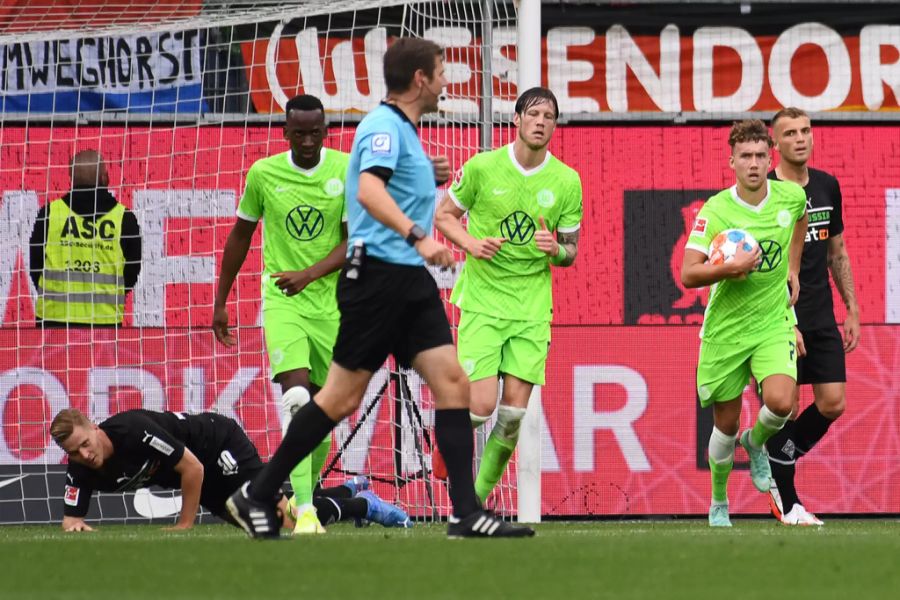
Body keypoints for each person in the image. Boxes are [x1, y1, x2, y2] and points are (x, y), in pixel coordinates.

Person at [225, 37, 534, 539]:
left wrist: (421, 179)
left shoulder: (403, 132)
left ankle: (465, 512)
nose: (443, 81)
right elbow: (368, 190)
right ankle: (258, 493)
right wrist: (420, 236)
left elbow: (386, 182)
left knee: (453, 385)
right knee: (340, 399)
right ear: (419, 79)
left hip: (406, 279)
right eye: (439, 71)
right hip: (379, 279)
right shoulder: (384, 126)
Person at [432, 87, 582, 502]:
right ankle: (445, 432)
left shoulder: (567, 182)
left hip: (532, 308)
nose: (540, 121)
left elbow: (571, 251)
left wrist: (556, 250)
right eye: (533, 113)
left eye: (548, 116)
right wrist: (471, 244)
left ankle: (474, 500)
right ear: (516, 119)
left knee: (513, 415)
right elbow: (444, 216)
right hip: (483, 301)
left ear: (554, 125)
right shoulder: (483, 167)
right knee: (479, 408)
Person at [213, 94, 349, 535]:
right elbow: (239, 237)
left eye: (316, 132)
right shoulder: (264, 174)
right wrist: (221, 301)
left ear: (325, 131)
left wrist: (310, 274)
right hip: (282, 301)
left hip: (330, 304)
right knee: (297, 399)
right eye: (299, 132)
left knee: (325, 411)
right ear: (285, 132)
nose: (308, 140)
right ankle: (306, 510)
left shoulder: (345, 170)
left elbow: (354, 244)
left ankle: (296, 500)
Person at [681, 119, 808, 527]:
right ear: (731, 161)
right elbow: (688, 273)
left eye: (760, 156)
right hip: (727, 330)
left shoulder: (790, 197)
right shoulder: (715, 210)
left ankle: (755, 445)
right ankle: (719, 501)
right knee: (725, 423)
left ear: (770, 158)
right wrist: (729, 268)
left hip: (772, 322)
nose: (753, 164)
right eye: (745, 157)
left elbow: (801, 220)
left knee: (782, 403)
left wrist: (793, 268)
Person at [49, 408, 411, 533]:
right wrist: (74, 524)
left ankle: (364, 505)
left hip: (217, 445)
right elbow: (70, 520)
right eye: (74, 452)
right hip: (202, 473)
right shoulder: (80, 468)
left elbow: (191, 467)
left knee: (283, 519)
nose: (85, 454)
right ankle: (346, 492)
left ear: (94, 428)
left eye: (85, 443)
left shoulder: (132, 432)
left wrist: (184, 524)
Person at [765, 107, 860, 526]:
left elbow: (837, 251)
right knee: (785, 407)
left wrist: (852, 308)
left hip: (821, 313)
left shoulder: (826, 186)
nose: (801, 138)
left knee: (832, 402)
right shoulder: (763, 191)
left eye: (806, 131)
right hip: (777, 315)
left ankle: (774, 457)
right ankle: (788, 502)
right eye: (790, 133)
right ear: (775, 144)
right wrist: (785, 322)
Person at [29, 150, 141, 326]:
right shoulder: (124, 218)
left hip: (54, 320)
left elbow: (36, 266)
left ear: (71, 177)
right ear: (105, 177)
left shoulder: (50, 214)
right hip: (104, 320)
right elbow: (132, 271)